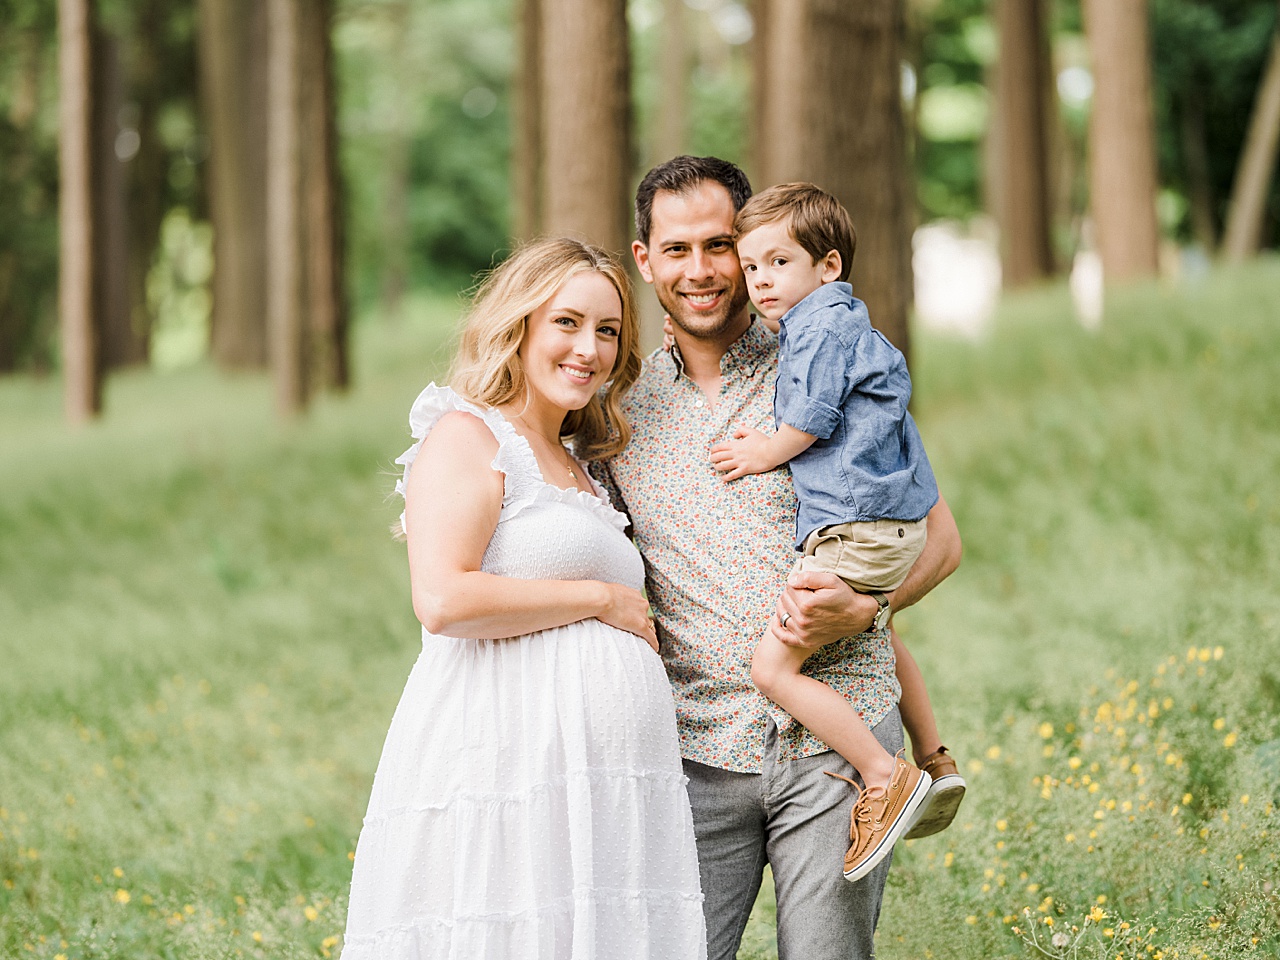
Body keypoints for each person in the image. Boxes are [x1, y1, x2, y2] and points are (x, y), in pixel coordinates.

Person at [597, 156, 962, 960]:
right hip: (695, 753)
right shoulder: (613, 411)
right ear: (645, 259)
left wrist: (871, 607)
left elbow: (939, 540)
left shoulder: (830, 359)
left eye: (721, 245)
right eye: (678, 249)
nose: (703, 270)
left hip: (836, 747)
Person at [340, 237, 707, 960]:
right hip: (506, 764)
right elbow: (443, 597)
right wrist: (602, 597)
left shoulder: (583, 466)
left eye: (607, 331)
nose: (589, 348)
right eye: (567, 322)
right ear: (521, 325)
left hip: (599, 793)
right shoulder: (467, 435)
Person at [707, 182, 965, 883]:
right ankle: (936, 758)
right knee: (881, 631)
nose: (760, 280)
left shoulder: (819, 329)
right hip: (882, 522)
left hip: (854, 524)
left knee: (772, 667)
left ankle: (887, 775)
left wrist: (760, 450)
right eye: (751, 266)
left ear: (827, 267)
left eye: (778, 264)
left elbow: (813, 414)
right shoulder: (841, 323)